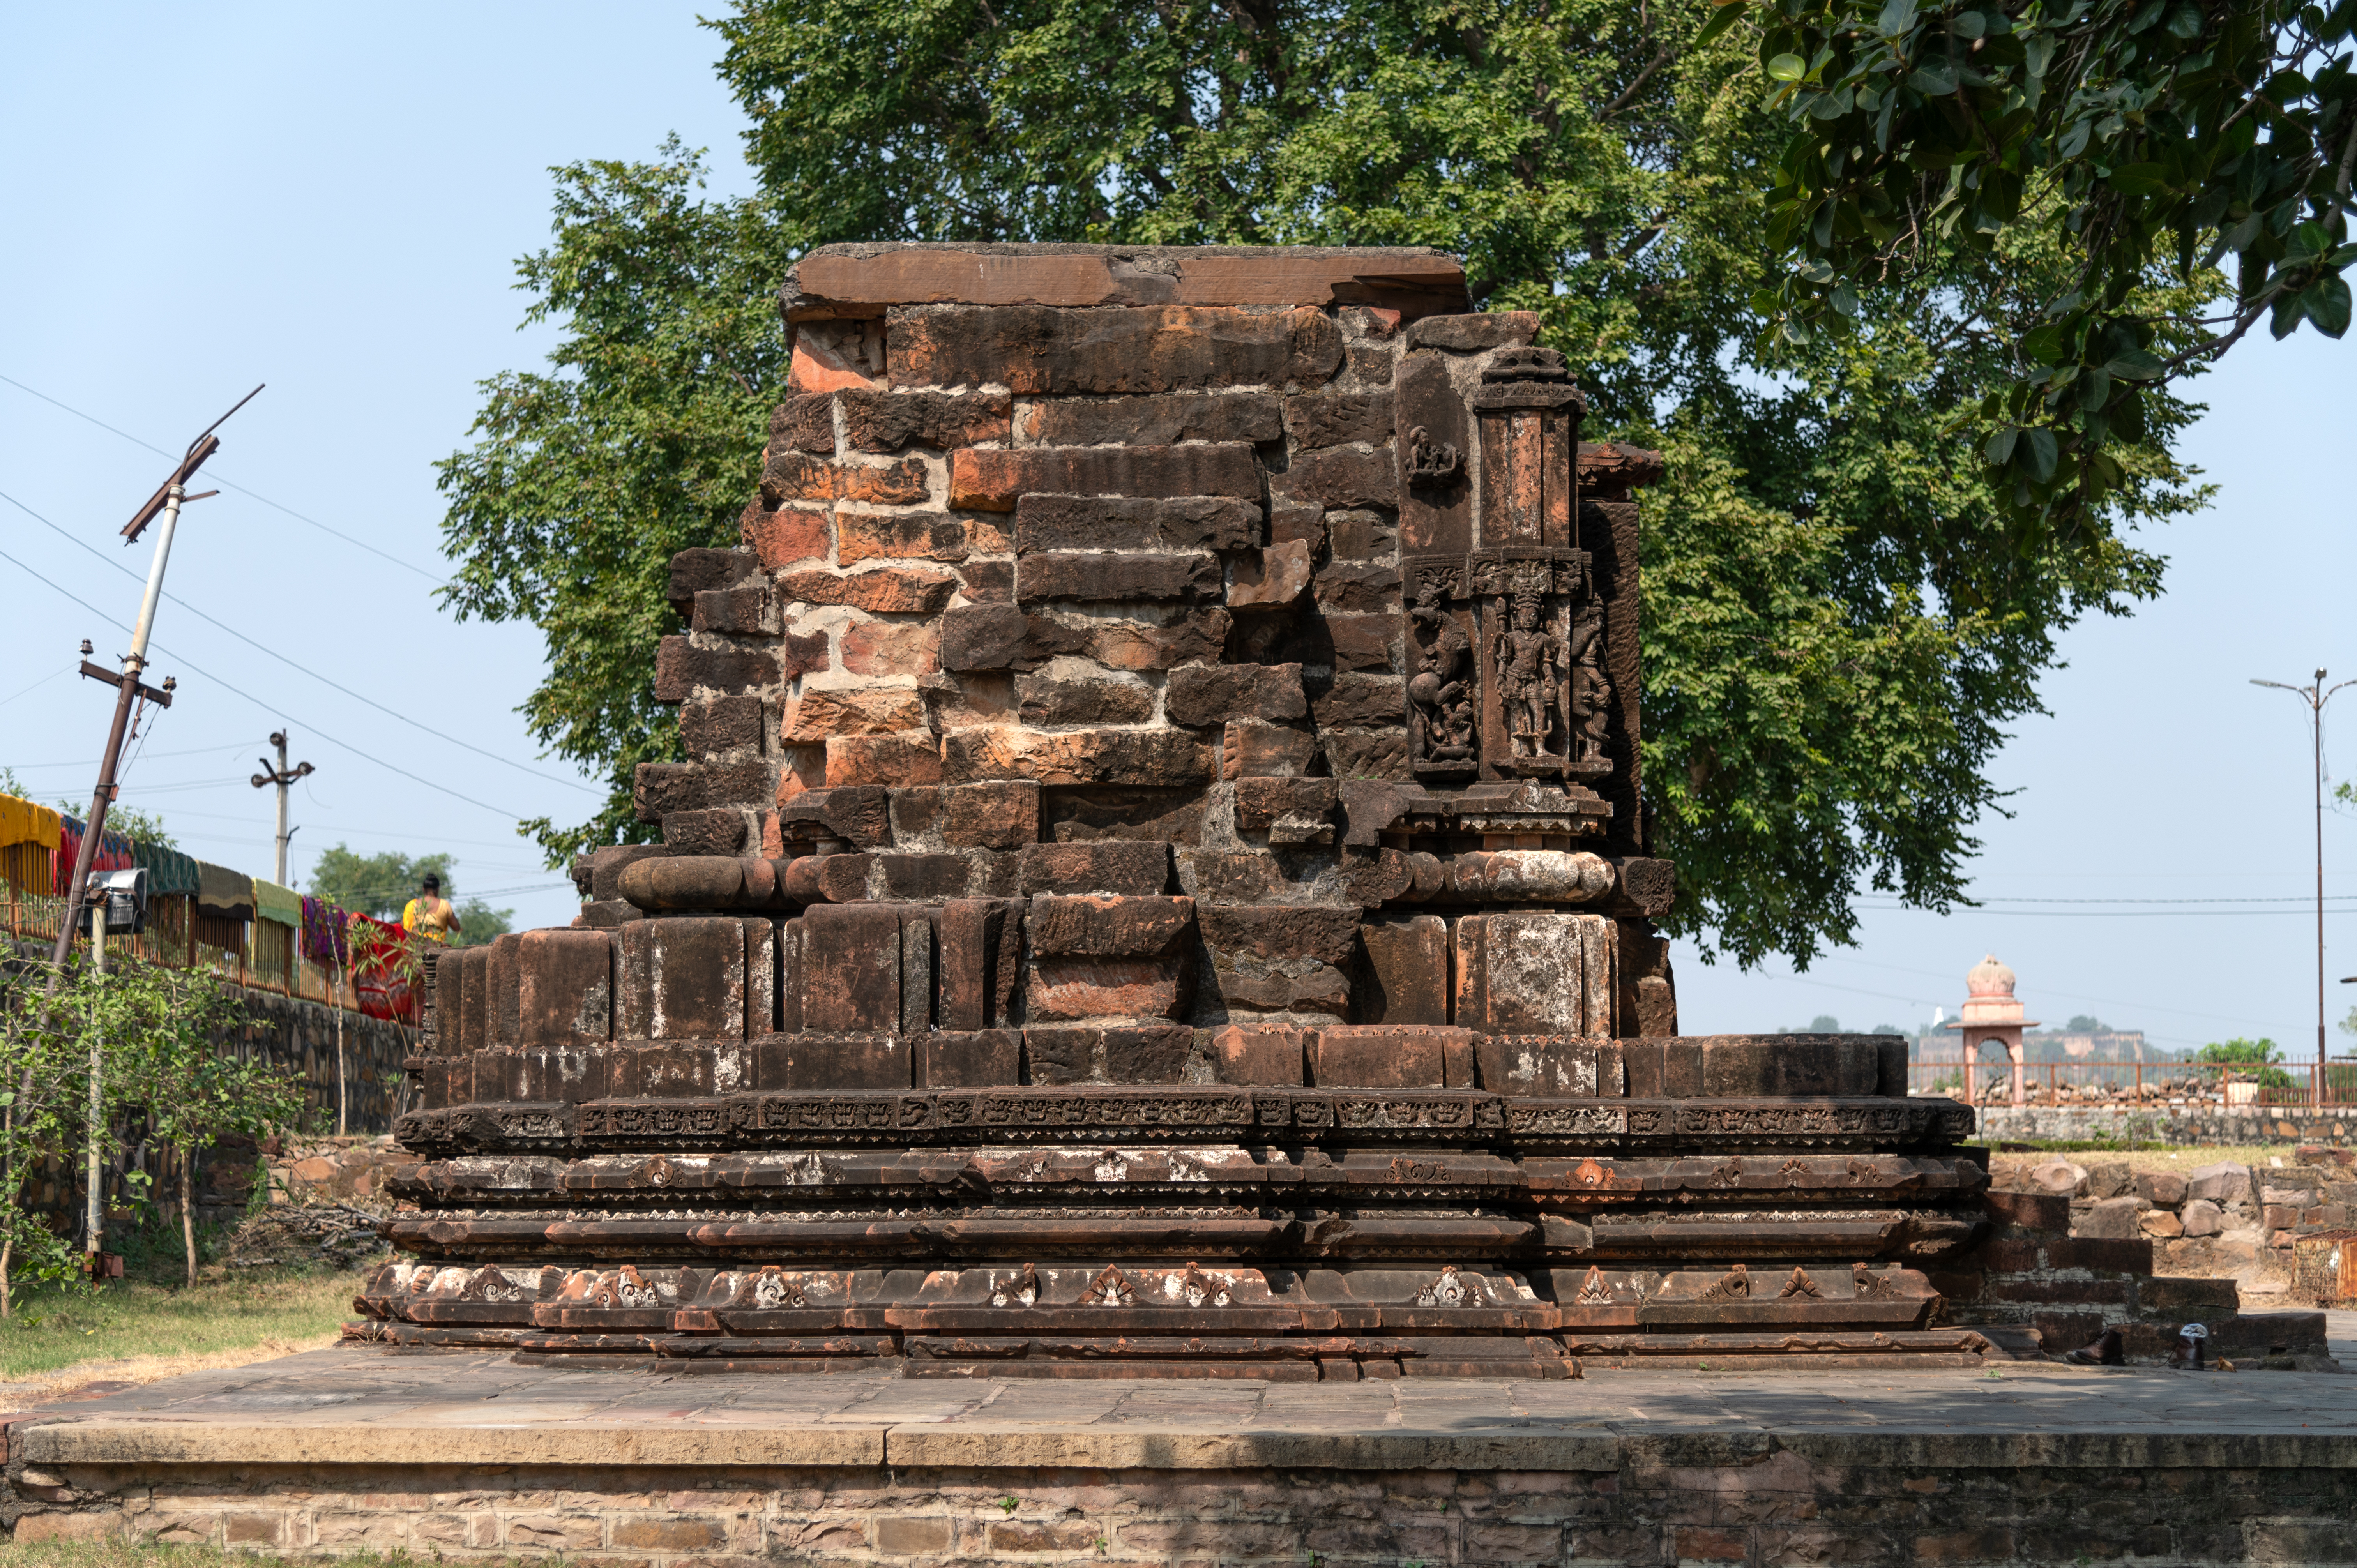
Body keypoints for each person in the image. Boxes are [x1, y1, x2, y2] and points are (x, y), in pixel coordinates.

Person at [401, 873, 463, 944]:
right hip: (437, 946)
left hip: (417, 946)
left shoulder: (412, 905)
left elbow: (403, 928)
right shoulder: (444, 905)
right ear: (438, 889)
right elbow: (456, 928)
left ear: (423, 889)